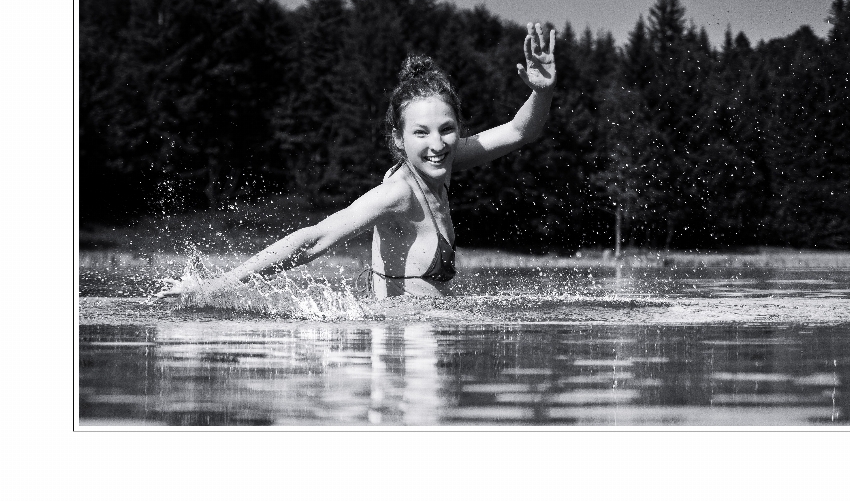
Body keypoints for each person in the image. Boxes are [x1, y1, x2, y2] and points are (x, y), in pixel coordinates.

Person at [156, 22, 556, 301]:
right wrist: (215, 287)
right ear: (397, 139)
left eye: (447, 129)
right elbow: (313, 239)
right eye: (421, 133)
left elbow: (520, 132)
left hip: (424, 341)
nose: (437, 144)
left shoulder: (445, 164)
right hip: (401, 355)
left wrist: (541, 93)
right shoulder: (397, 193)